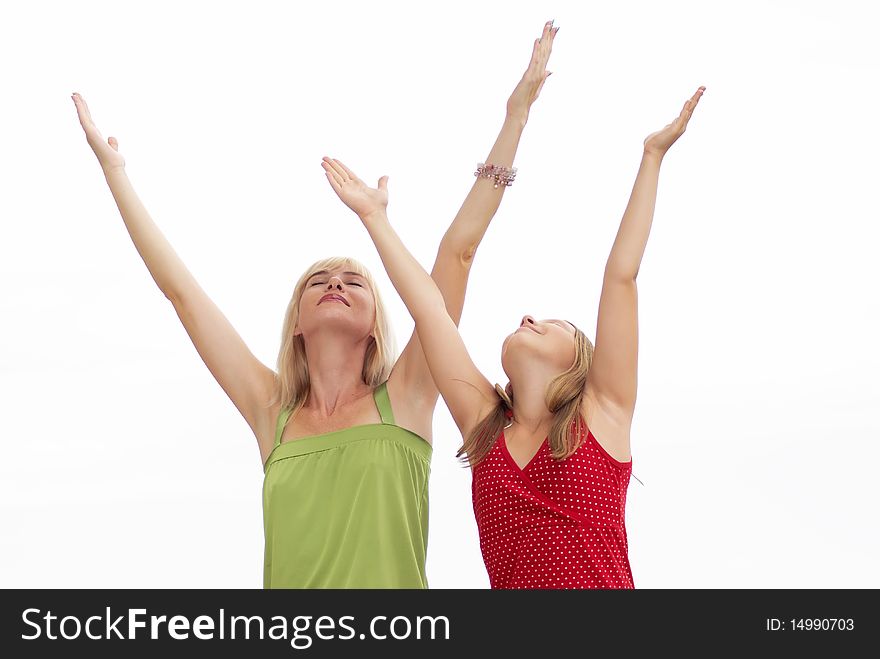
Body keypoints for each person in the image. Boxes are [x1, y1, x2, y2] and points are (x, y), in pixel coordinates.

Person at [70, 20, 559, 588]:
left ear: (376, 324)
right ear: (296, 324)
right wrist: (116, 174)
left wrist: (515, 117)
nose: (335, 283)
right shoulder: (269, 411)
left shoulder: (406, 394)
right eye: (318, 280)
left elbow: (459, 254)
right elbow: (183, 295)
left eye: (354, 283)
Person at [324, 84, 705, 588]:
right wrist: (375, 219)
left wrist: (652, 157)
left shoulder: (604, 410)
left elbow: (620, 276)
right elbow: (430, 308)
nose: (530, 318)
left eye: (556, 323)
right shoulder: (485, 430)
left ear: (580, 362)